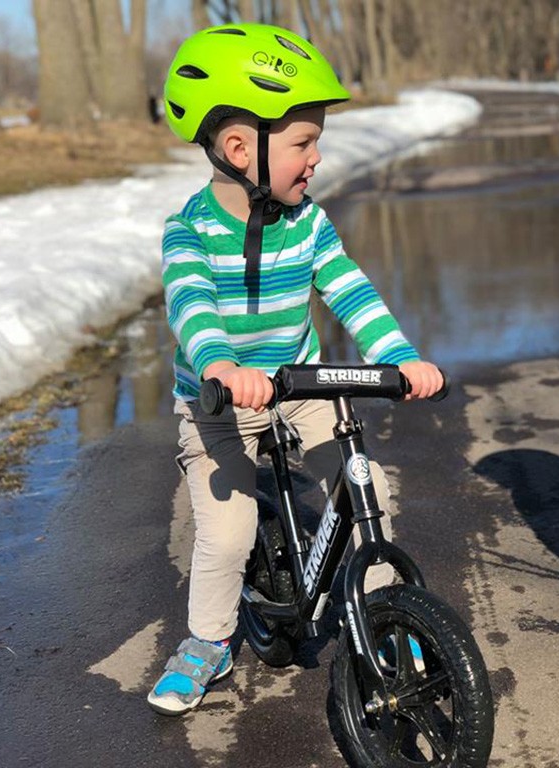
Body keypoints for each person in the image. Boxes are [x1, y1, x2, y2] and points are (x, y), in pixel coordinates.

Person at [147, 23, 444, 715]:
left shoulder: (308, 223)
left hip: (304, 387)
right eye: (304, 144)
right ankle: (208, 642)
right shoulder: (187, 230)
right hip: (219, 399)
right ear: (239, 147)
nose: (316, 160)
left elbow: (349, 289)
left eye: (318, 145)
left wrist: (397, 356)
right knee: (227, 534)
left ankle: (387, 618)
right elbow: (191, 305)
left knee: (363, 486)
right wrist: (220, 363)